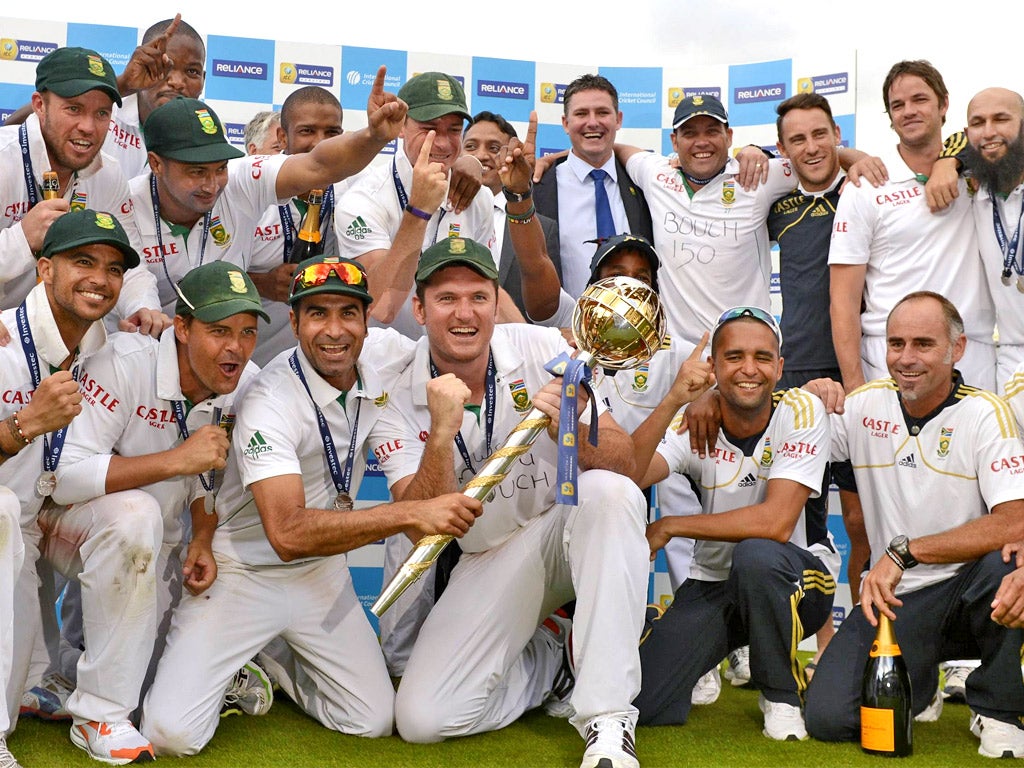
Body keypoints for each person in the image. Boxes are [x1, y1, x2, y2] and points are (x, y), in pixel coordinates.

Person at [140, 254, 481, 755]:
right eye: (317, 313)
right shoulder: (267, 400)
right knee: (172, 737)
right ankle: (247, 655)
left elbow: (420, 521)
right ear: (294, 321)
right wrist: (408, 513)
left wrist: (441, 436)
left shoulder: (384, 361)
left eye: (348, 313)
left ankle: (273, 658)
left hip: (320, 575)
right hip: (244, 571)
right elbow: (287, 535)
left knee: (369, 720)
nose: (335, 330)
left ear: (368, 321)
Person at [371, 236, 648, 768]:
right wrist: (440, 431)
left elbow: (626, 464)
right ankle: (554, 663)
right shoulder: (394, 389)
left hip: (569, 526)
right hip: (487, 554)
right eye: (447, 298)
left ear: (496, 304)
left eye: (479, 296)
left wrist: (573, 423)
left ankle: (608, 718)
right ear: (419, 308)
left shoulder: (546, 349)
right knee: (424, 720)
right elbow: (420, 529)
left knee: (610, 493)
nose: (464, 313)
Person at [804, 292, 1024, 759]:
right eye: (896, 343)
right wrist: (804, 402)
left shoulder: (987, 413)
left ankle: (1000, 709)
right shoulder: (863, 406)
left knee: (1006, 558)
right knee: (828, 718)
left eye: (923, 344)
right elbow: (786, 433)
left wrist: (906, 551)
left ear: (957, 349)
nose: (906, 358)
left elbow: (1015, 520)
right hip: (898, 600)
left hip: (968, 589)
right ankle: (919, 685)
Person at [629, 307, 836, 740]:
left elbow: (777, 523)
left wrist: (670, 525)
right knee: (644, 704)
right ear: (714, 366)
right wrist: (675, 400)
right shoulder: (694, 423)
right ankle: (656, 628)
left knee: (757, 554)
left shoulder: (801, 409)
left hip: (797, 582)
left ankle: (780, 694)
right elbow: (630, 474)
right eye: (734, 356)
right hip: (715, 582)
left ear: (780, 367)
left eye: (763, 357)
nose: (749, 369)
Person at [0, 209, 146, 764]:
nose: (99, 279)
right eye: (82, 261)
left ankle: (103, 715)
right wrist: (24, 425)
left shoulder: (107, 348)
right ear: (43, 270)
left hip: (48, 512)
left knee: (135, 514)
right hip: (5, 516)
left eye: (113, 269)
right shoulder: (4, 337)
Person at [131, 65, 406, 316]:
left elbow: (318, 166)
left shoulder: (242, 178)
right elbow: (132, 279)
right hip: (146, 348)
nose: (213, 184)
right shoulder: (128, 201)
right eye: (197, 172)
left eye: (220, 168)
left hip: (238, 357)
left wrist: (374, 137)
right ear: (156, 163)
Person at [829, 61, 996, 393]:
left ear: (944, 104)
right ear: (890, 117)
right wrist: (854, 385)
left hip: (972, 355)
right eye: (897, 105)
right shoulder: (865, 186)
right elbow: (843, 301)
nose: (908, 111)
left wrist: (951, 162)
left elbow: (1003, 131)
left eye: (919, 100)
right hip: (889, 360)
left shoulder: (980, 170)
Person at [335, 70, 523, 338]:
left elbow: (486, 287)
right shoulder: (362, 201)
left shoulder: (477, 196)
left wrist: (539, 349)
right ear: (401, 126)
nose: (444, 142)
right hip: (380, 362)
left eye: (454, 130)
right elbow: (382, 307)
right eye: (429, 129)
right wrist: (418, 212)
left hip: (448, 357)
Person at [0, 46, 165, 335]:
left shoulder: (108, 174)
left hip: (62, 339)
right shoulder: (4, 157)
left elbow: (129, 261)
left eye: (101, 113)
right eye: (73, 109)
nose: (88, 127)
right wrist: (21, 238)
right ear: (40, 105)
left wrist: (143, 306)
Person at [612, 95, 795, 348]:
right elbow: (614, 149)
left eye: (712, 131)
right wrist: (557, 159)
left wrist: (860, 163)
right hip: (676, 353)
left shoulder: (758, 175)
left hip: (743, 350)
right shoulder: (657, 174)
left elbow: (821, 161)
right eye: (689, 134)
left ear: (729, 137)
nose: (701, 142)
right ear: (674, 141)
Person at [246, 86, 346, 366]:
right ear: (282, 137)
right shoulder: (250, 189)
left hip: (320, 361)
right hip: (250, 361)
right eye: (307, 131)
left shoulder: (355, 190)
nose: (321, 144)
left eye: (331, 133)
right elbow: (203, 270)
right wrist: (261, 283)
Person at [532, 73, 653, 298]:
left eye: (602, 112)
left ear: (618, 119)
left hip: (636, 328)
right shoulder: (538, 188)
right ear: (566, 124)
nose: (592, 122)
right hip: (562, 328)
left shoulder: (645, 183)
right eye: (581, 114)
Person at [462, 110, 563, 320]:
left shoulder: (542, 228)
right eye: (471, 146)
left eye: (494, 148)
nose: (481, 155)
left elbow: (547, 310)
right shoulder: (435, 211)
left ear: (511, 156)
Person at [962, 87, 1024, 388]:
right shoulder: (970, 194)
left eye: (1001, 119)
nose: (988, 132)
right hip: (1010, 364)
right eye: (978, 123)